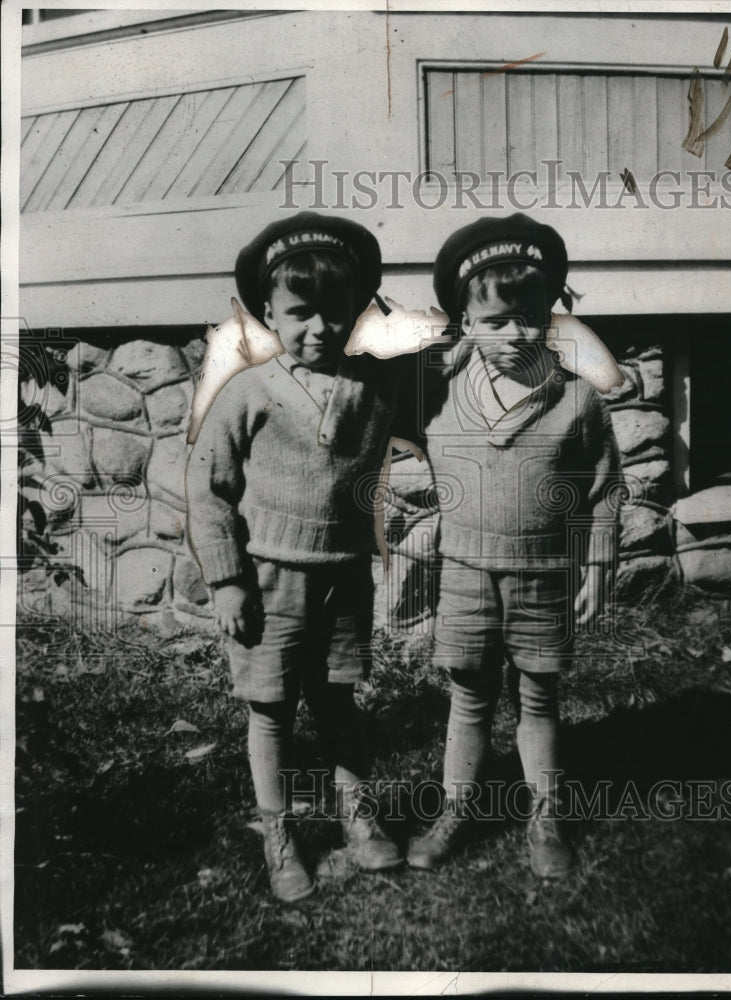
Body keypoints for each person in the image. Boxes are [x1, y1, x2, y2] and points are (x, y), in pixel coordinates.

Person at [186, 212, 407, 903]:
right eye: (300, 314)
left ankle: (354, 810)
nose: (319, 329)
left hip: (343, 573)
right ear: (269, 316)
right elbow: (208, 487)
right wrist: (226, 580)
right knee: (273, 709)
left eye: (335, 313)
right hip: (267, 578)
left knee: (338, 698)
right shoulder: (247, 394)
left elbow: (453, 380)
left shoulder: (374, 391)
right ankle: (278, 833)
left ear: (355, 313)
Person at [406, 213, 622, 878]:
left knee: (539, 695)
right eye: (495, 321)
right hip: (467, 571)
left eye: (529, 317)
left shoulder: (576, 401)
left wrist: (600, 559)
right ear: (465, 321)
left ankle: (547, 813)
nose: (515, 333)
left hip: (544, 572)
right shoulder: (434, 395)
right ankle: (458, 807)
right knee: (469, 694)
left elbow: (605, 488)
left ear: (550, 314)